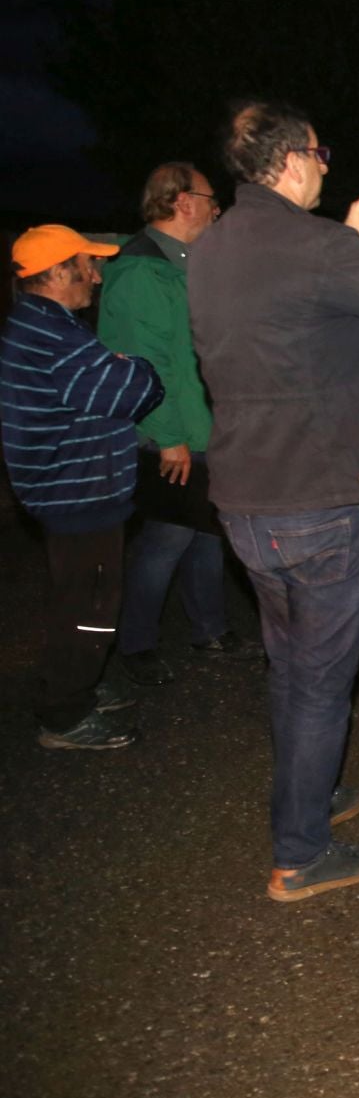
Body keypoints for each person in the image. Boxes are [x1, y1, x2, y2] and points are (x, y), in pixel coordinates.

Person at [188, 100, 359, 901]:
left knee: (291, 666)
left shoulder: (214, 247)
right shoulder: (309, 248)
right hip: (316, 503)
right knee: (319, 682)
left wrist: (346, 236)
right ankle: (301, 853)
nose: (326, 164)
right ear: (290, 160)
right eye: (319, 153)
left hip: (246, 500)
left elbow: (294, 312)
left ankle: (307, 795)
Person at [97, 161, 262, 686]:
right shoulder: (142, 270)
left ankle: (209, 630)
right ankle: (137, 642)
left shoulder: (187, 262)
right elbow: (142, 365)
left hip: (204, 427)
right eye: (210, 198)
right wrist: (168, 438)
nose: (218, 208)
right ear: (181, 201)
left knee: (207, 533)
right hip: (173, 433)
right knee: (167, 537)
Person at [2, 225, 163, 749]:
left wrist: (119, 369)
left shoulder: (43, 324)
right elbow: (133, 389)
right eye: (86, 265)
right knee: (89, 611)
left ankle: (74, 688)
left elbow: (107, 386)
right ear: (54, 273)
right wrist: (137, 367)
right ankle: (64, 716)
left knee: (79, 601)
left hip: (72, 490)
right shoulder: (54, 335)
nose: (96, 276)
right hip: (76, 494)